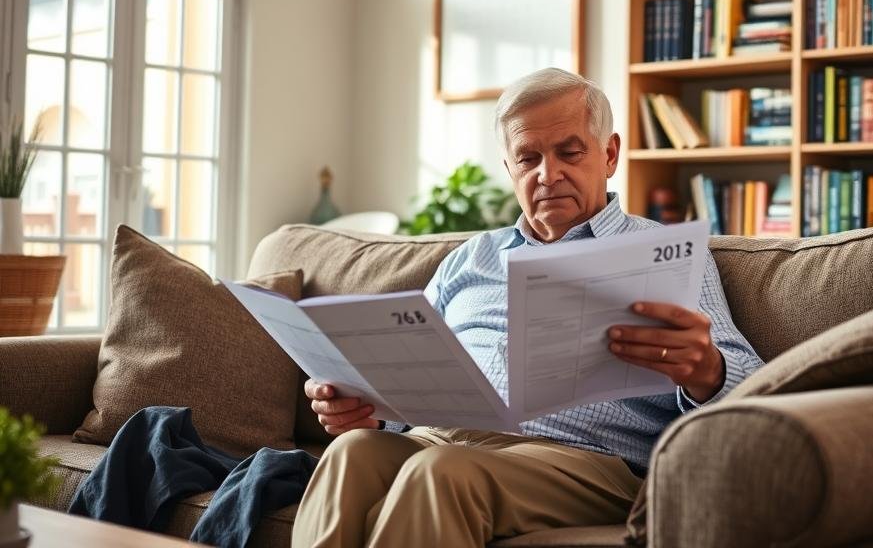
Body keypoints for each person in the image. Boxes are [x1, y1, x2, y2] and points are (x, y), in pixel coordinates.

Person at [291, 67, 763, 548]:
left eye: (569, 152)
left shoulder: (665, 254)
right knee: (352, 452)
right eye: (528, 157)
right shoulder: (469, 260)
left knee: (443, 472)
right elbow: (404, 385)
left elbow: (759, 385)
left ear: (610, 154)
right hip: (445, 437)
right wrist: (367, 408)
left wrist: (706, 368)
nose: (548, 174)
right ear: (510, 168)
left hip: (587, 461)